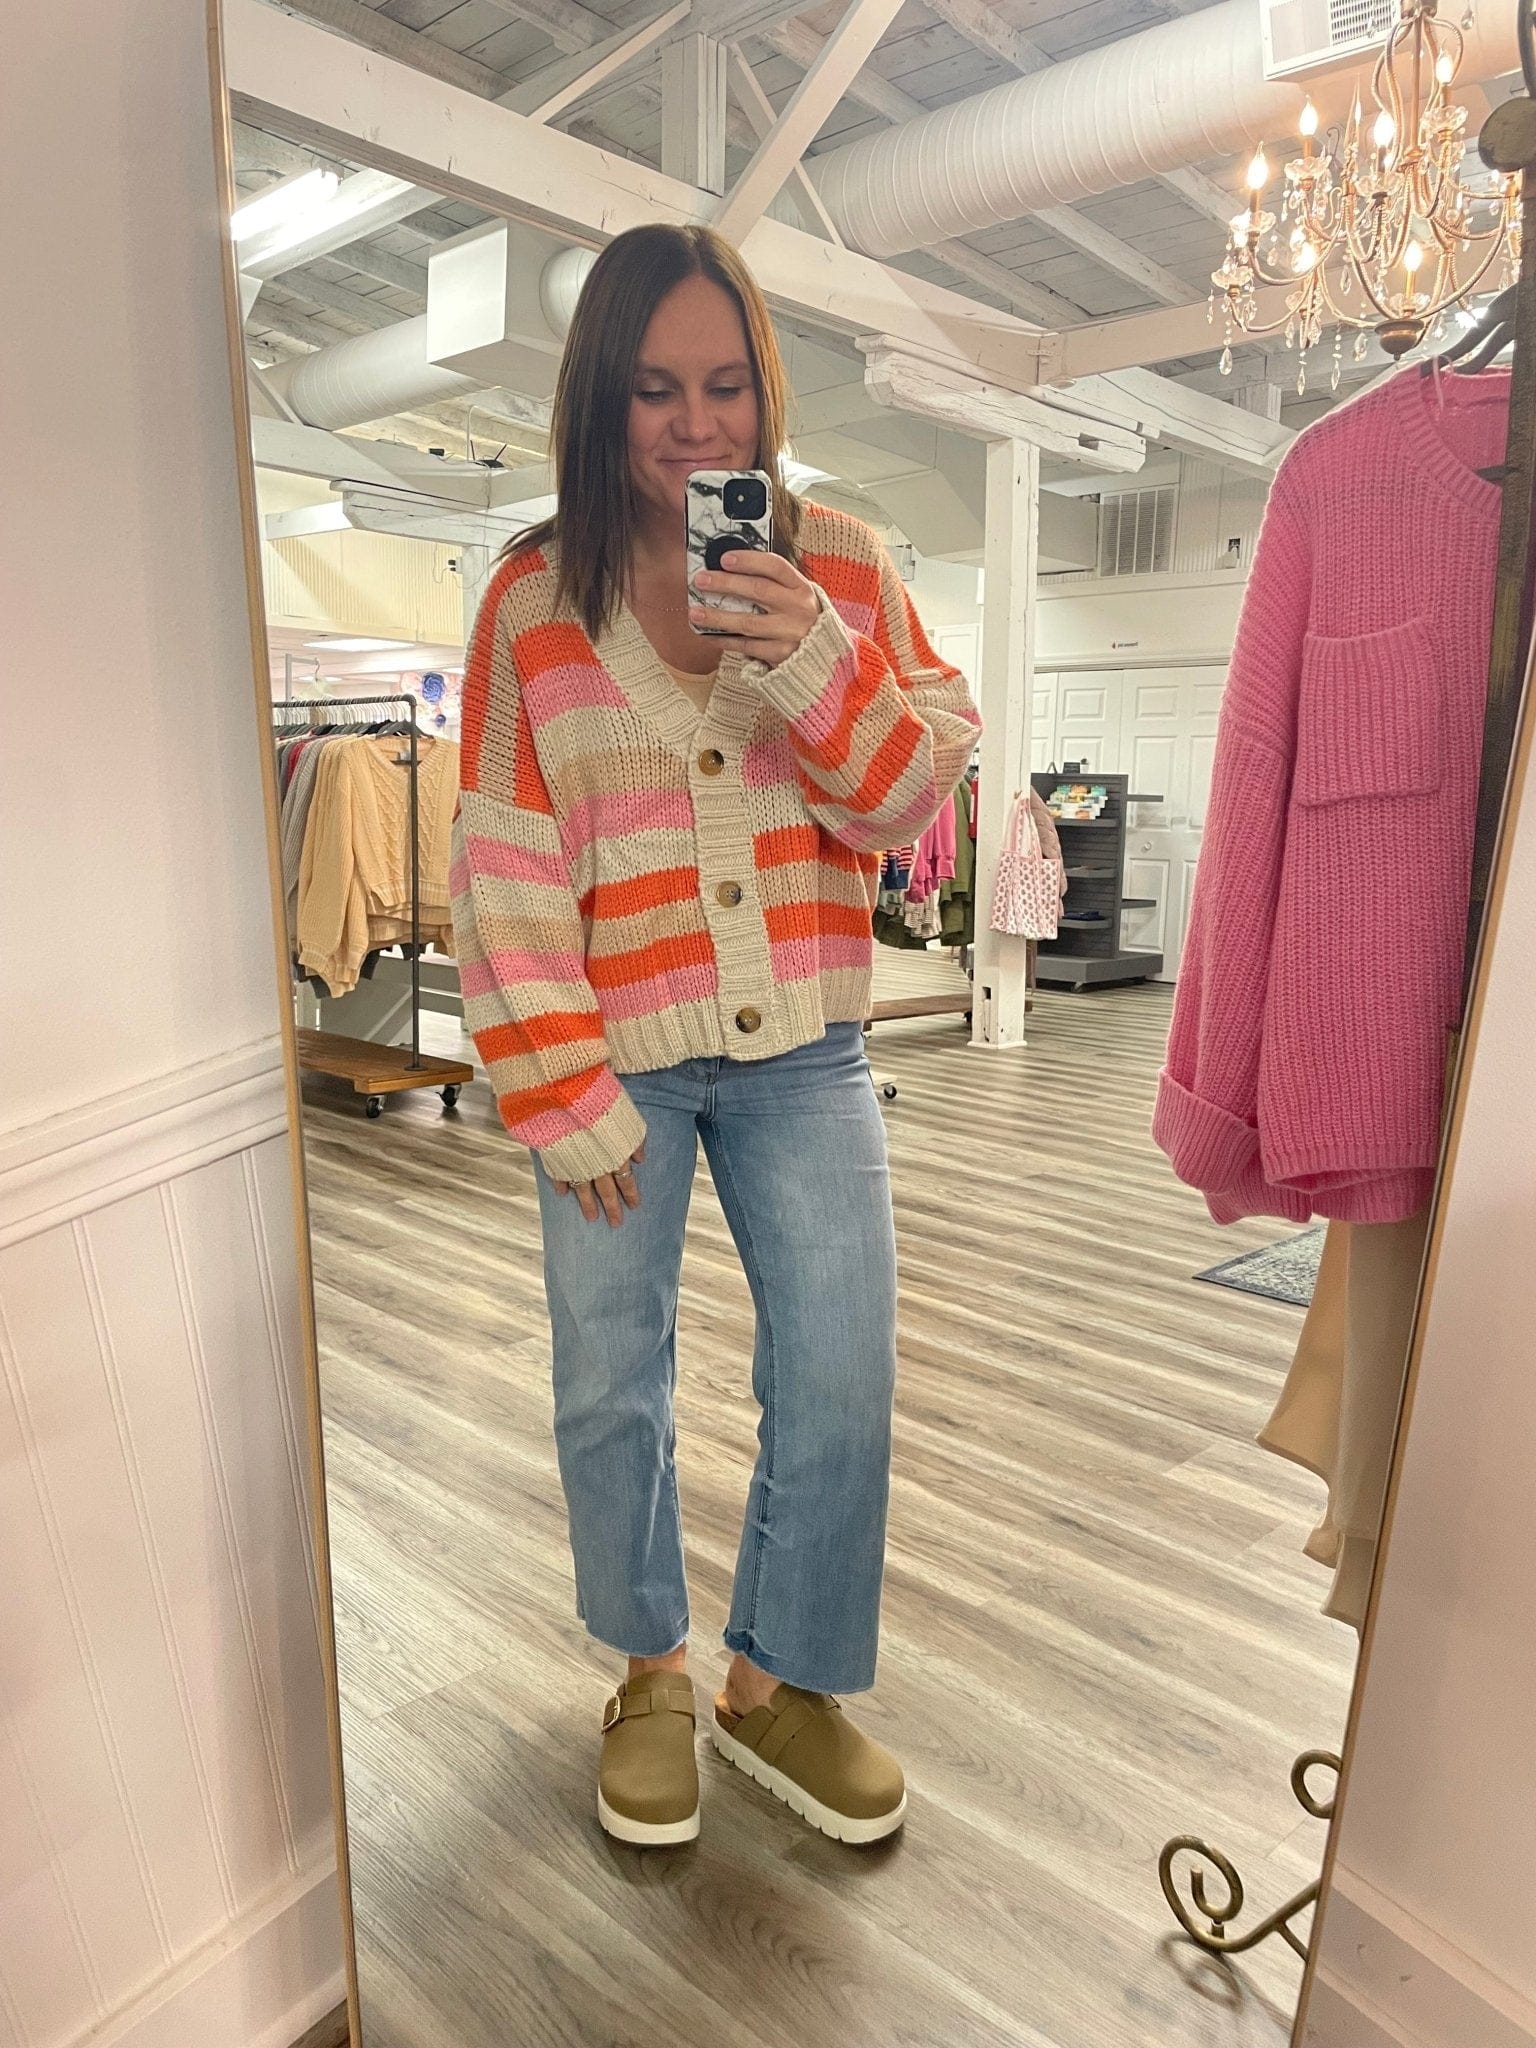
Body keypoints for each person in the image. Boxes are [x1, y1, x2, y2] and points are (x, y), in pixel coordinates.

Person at [450, 222, 979, 1848]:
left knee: (839, 1373)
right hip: (609, 1056)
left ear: (767, 389)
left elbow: (903, 799)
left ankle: (778, 1683)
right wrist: (559, 1089)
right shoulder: (533, 598)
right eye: (655, 388)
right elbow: (505, 861)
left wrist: (806, 648)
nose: (697, 424)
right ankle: (652, 1673)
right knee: (610, 1381)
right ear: (600, 399)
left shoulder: (848, 564)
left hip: (808, 1049)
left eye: (727, 384)